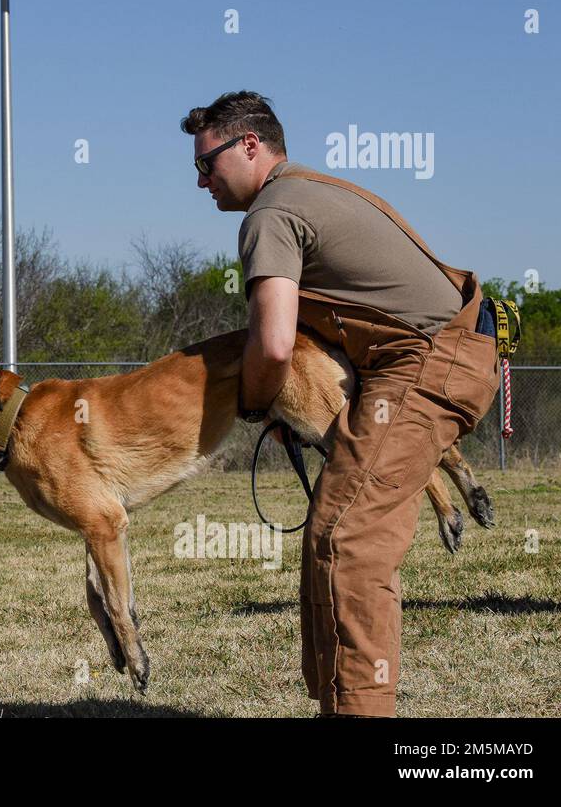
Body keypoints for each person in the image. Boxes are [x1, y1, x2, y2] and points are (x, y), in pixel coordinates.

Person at [181, 91, 498, 717]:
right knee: (334, 522)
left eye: (206, 164)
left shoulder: (271, 213)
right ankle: (339, 703)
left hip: (429, 361)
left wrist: (254, 404)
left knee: (349, 534)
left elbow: (271, 347)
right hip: (433, 354)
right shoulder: (315, 190)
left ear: (249, 146)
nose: (201, 182)